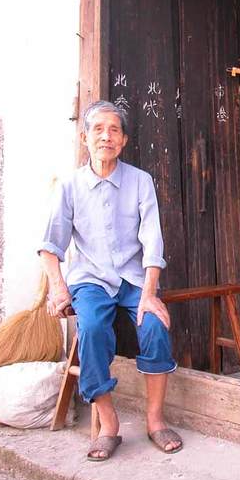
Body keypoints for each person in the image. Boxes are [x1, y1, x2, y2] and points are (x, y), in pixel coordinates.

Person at [38, 100, 182, 461]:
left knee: (154, 326)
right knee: (90, 330)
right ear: (85, 137)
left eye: (114, 130)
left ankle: (154, 420)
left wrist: (150, 294)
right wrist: (58, 288)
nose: (106, 136)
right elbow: (50, 246)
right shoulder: (70, 186)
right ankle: (109, 422)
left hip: (134, 278)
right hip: (90, 279)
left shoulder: (140, 181)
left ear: (124, 140)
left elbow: (152, 240)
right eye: (98, 129)